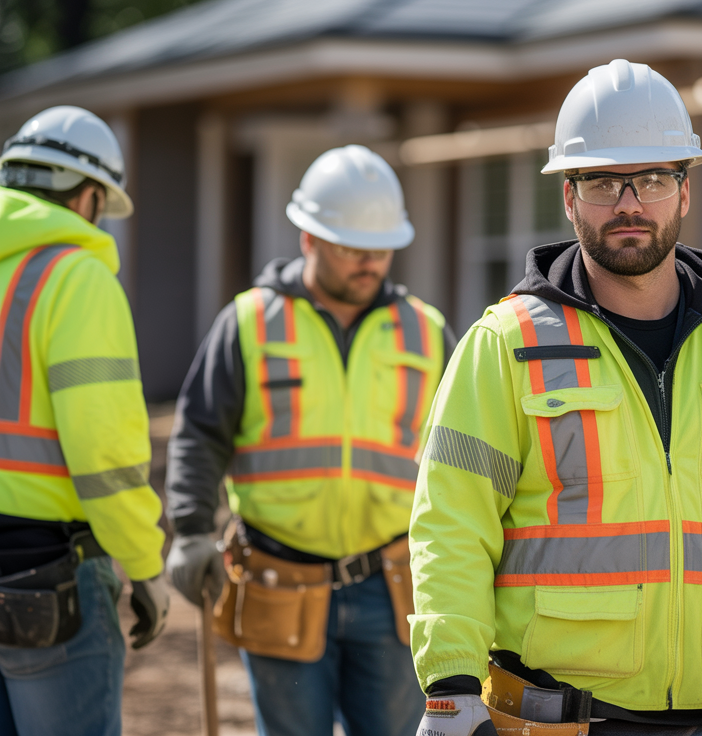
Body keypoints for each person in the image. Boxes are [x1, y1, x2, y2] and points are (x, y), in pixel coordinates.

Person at [409, 59, 702, 736]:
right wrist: (449, 684)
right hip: (566, 719)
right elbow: (451, 522)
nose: (629, 203)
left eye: (652, 179)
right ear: (569, 198)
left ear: (684, 191)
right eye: (602, 181)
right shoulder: (506, 343)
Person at [165, 144, 455, 736]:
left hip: (392, 584)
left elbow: (461, 456)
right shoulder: (248, 323)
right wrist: (191, 531)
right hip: (278, 579)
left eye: (381, 250)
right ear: (309, 240)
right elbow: (199, 432)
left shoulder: (427, 331)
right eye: (353, 249)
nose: (370, 264)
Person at [0, 105, 169, 735]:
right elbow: (106, 456)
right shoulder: (76, 278)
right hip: (48, 581)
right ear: (91, 196)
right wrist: (145, 567)